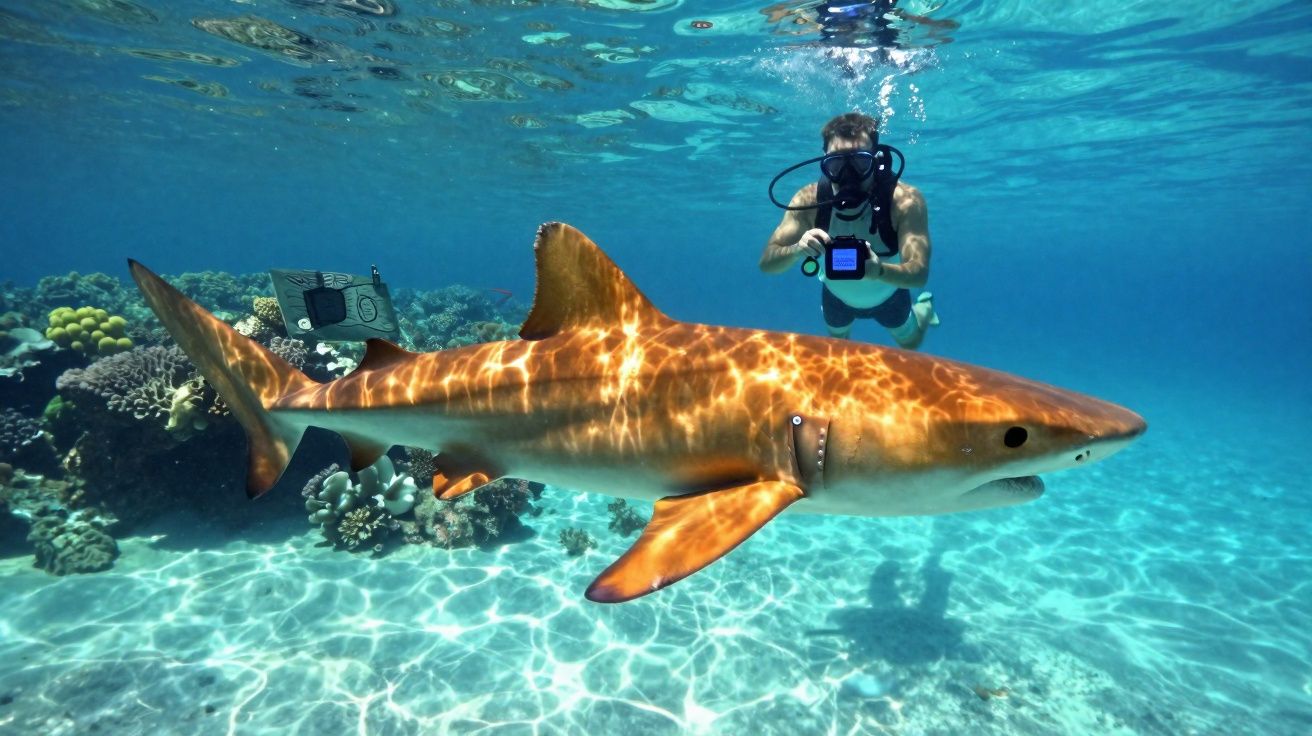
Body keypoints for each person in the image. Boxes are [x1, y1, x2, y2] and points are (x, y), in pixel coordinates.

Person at [760, 111, 938, 349]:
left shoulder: (904, 201)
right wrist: (796, 250)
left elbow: (918, 274)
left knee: (911, 344)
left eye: (860, 162)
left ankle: (924, 310)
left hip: (889, 296)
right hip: (836, 297)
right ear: (824, 162)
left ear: (875, 159)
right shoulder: (808, 200)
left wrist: (879, 272)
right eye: (836, 164)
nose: (848, 175)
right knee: (839, 349)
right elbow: (767, 264)